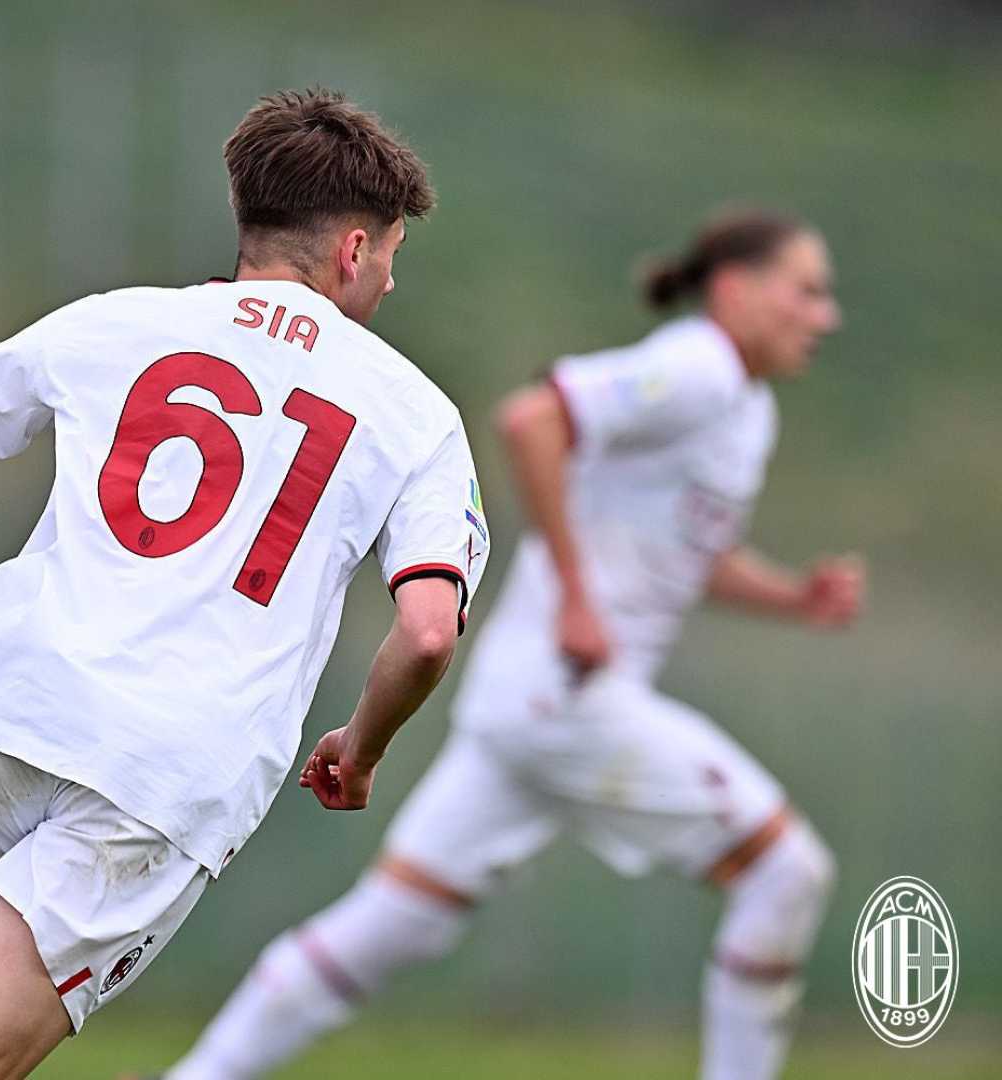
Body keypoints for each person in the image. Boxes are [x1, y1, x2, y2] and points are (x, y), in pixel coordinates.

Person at [0, 88, 489, 1079]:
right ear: (355, 250)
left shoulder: (115, 321)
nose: (391, 281)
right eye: (393, 253)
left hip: (11, 714)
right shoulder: (414, 411)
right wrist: (363, 744)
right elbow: (429, 632)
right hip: (158, 770)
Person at [160, 207, 864, 1080]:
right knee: (785, 874)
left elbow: (690, 556)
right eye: (806, 291)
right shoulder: (699, 370)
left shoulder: (743, 408)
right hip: (571, 697)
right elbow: (534, 419)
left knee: (392, 921)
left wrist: (795, 596)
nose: (824, 316)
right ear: (734, 289)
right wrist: (575, 598)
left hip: (532, 702)